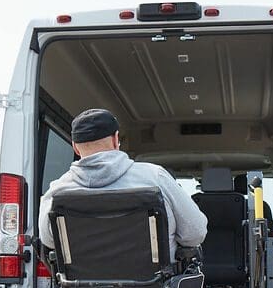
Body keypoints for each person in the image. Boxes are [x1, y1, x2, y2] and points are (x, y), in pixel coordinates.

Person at [38, 108, 208, 260]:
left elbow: (49, 241)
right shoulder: (155, 177)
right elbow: (196, 233)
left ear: (75, 147)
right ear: (115, 139)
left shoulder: (57, 191)